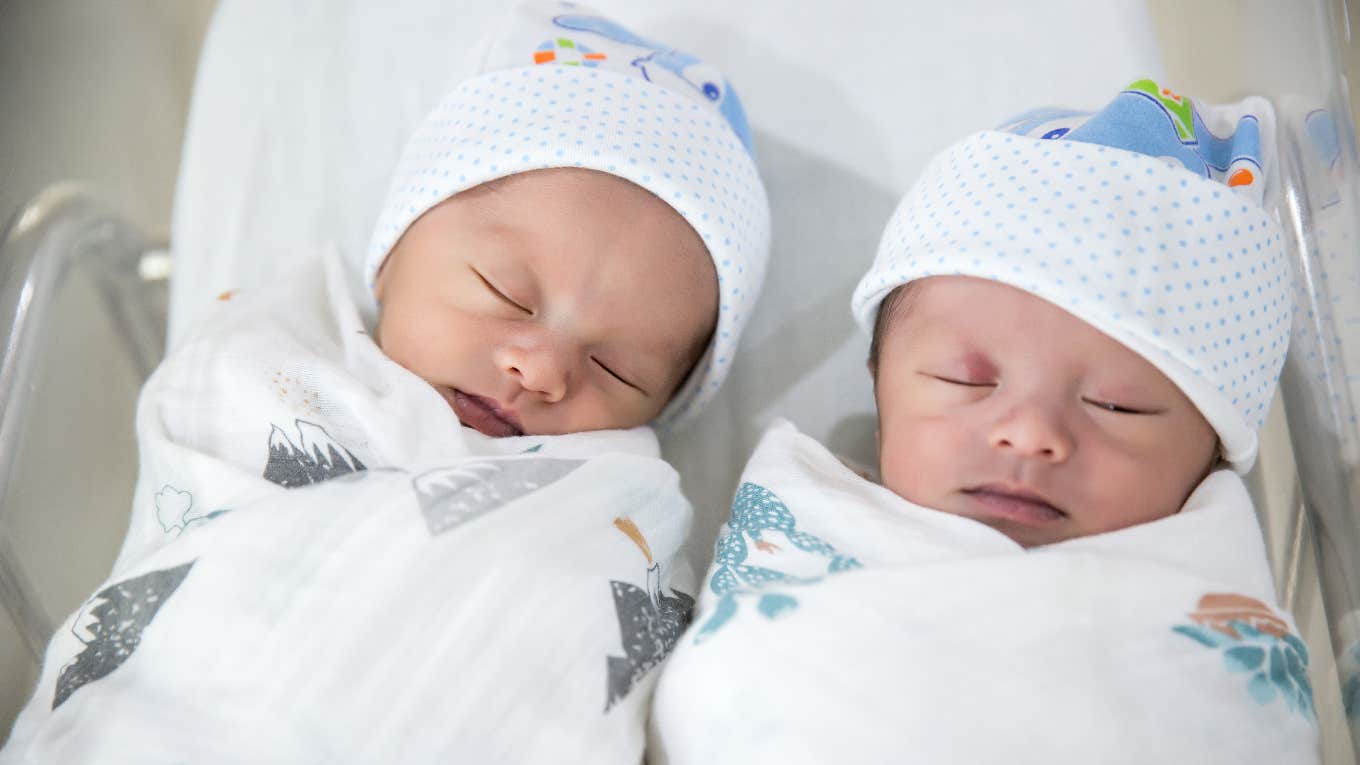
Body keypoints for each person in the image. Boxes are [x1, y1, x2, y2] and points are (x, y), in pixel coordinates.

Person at [1, 3, 768, 762]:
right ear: (394, 253)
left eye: (616, 367)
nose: (540, 368)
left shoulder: (621, 508)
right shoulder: (268, 360)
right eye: (505, 290)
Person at [649, 81, 1319, 764]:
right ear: (880, 392)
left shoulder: (1194, 621)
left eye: (1118, 405)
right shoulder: (809, 530)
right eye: (964, 380)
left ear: (1212, 454)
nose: (1029, 434)